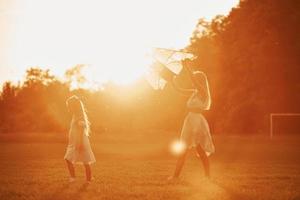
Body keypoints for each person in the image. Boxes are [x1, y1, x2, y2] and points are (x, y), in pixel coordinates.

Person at [168, 63, 215, 181]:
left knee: (200, 150)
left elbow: (194, 81)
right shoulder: (194, 92)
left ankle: (207, 176)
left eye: (197, 79)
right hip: (189, 121)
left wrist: (187, 67)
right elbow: (179, 89)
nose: (195, 81)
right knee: (183, 148)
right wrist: (171, 81)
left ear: (201, 81)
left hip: (197, 122)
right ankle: (175, 176)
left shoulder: (203, 92)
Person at [64, 95, 96, 183]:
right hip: (74, 142)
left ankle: (83, 179)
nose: (68, 108)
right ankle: (81, 178)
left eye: (69, 106)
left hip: (79, 141)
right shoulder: (75, 115)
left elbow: (81, 130)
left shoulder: (79, 116)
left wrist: (81, 143)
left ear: (73, 106)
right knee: (82, 160)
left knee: (84, 160)